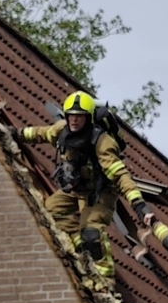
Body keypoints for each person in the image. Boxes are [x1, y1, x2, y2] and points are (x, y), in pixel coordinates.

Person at [11, 91, 150, 280]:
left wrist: (138, 204)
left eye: (79, 116)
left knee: (91, 230)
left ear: (88, 118)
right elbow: (41, 134)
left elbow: (120, 175)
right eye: (71, 115)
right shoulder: (62, 131)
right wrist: (16, 133)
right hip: (76, 189)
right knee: (49, 211)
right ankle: (77, 239)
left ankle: (104, 275)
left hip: (100, 193)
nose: (74, 121)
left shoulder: (102, 142)